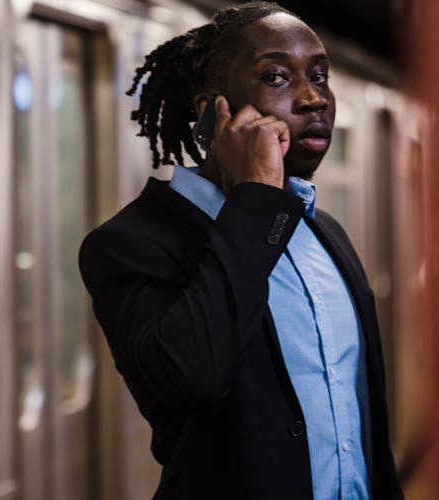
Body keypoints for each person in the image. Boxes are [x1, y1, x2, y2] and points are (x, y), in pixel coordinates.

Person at [78, 2, 403, 499]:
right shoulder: (129, 245)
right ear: (214, 111)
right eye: (276, 76)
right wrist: (256, 201)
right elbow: (195, 376)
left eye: (320, 75)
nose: (314, 99)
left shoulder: (327, 234)